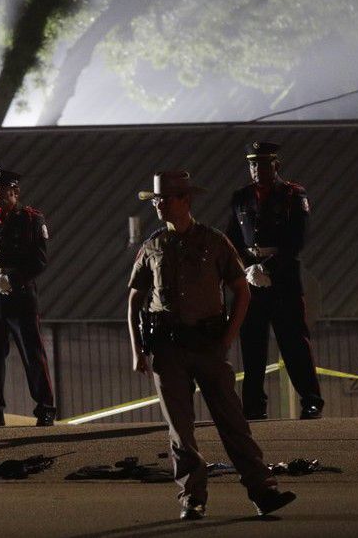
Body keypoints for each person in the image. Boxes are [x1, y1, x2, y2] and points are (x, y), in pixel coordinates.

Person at [128, 170, 295, 520]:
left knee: (232, 422)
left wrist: (227, 338)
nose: (159, 204)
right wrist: (137, 350)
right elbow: (134, 300)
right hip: (167, 347)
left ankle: (262, 490)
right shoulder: (153, 245)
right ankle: (192, 497)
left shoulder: (214, 241)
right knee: (181, 430)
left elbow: (242, 290)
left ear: (186, 201)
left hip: (207, 344)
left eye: (166, 198)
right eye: (156, 199)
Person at [226, 141, 324, 420]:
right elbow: (232, 238)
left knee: (293, 341)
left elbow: (297, 239)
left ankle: (311, 400)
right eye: (253, 164)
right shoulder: (241, 197)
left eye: (263, 163)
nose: (257, 169)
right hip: (250, 278)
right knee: (252, 344)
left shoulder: (293, 195)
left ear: (276, 166)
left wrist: (267, 268)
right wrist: (246, 268)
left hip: (282, 277)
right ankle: (254, 405)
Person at [0, 169, 57, 427]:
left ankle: (45, 408)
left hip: (21, 297)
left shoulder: (31, 220)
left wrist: (13, 279)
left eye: (3, 190)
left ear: (15, 193)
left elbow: (39, 260)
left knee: (32, 353)